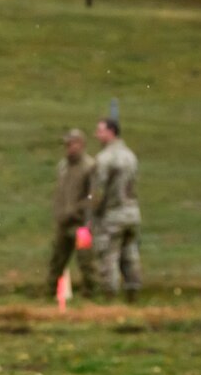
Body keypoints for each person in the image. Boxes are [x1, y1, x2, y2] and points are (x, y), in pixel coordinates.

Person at [91, 117, 141, 301]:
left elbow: (98, 192)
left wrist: (92, 212)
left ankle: (109, 297)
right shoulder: (131, 156)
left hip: (112, 215)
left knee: (108, 257)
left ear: (111, 132)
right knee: (130, 255)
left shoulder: (104, 159)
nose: (97, 134)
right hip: (132, 213)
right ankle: (133, 293)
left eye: (100, 130)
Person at [48, 128, 101, 297]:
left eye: (72, 144)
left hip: (82, 224)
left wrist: (77, 210)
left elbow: (94, 196)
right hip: (64, 222)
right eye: (67, 145)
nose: (69, 148)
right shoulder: (63, 166)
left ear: (81, 144)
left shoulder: (90, 167)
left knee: (86, 261)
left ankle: (91, 293)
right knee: (57, 259)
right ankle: (49, 292)